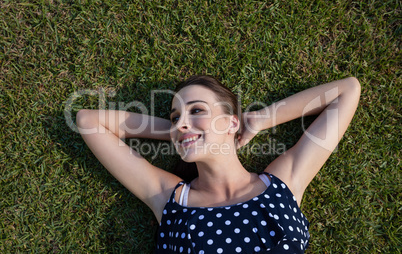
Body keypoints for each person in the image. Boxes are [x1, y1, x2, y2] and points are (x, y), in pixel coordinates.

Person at [76, 75, 361, 253]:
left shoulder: (283, 183)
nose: (181, 120)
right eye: (175, 116)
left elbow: (347, 90)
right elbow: (88, 121)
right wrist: (182, 132)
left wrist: (258, 120)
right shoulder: (169, 198)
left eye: (197, 109)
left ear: (231, 121)